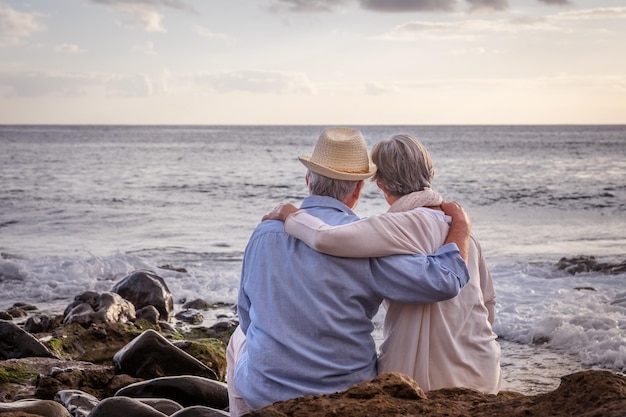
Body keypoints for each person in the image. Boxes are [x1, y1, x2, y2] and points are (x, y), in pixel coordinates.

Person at [226, 127, 472, 416]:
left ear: (308, 180)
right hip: (344, 392)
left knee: (237, 342)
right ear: (358, 189)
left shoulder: (264, 232)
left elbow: (246, 315)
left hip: (265, 392)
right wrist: (461, 226)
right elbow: (443, 281)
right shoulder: (363, 242)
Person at [267, 134, 501, 394]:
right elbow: (488, 303)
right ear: (429, 173)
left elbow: (325, 237)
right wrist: (462, 225)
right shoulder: (467, 237)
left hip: (420, 378)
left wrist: (291, 214)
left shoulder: (392, 227)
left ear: (379, 183)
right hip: (483, 369)